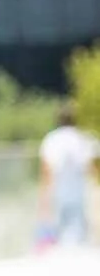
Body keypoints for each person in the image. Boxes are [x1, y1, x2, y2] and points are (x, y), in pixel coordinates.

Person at [38, 101, 99, 246]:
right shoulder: (82, 138)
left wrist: (43, 198)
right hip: (79, 191)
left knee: (56, 233)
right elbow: (91, 168)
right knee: (79, 234)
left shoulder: (51, 140)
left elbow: (46, 172)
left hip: (58, 190)